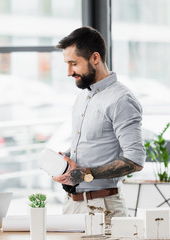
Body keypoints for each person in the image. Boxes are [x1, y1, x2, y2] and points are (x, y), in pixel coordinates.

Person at [52, 26, 146, 224]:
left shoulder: (121, 99)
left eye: (73, 63)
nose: (69, 72)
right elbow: (92, 142)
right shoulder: (83, 98)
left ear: (94, 58)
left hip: (104, 209)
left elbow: (135, 160)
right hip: (72, 205)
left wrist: (86, 174)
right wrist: (66, 161)